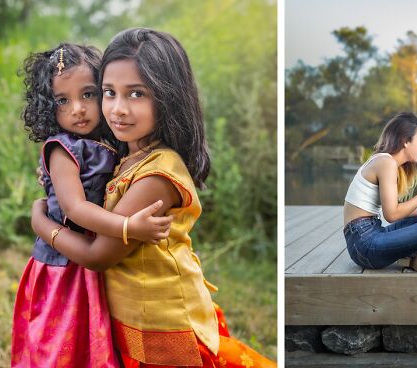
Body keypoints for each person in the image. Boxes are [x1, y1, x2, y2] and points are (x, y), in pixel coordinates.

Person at [30, 29, 275, 367]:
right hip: (135, 321)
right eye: (108, 93)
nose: (118, 109)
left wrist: (42, 223)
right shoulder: (124, 154)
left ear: (168, 98)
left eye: (136, 94)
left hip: (165, 328)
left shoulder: (156, 177)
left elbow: (97, 256)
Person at [12, 43, 171, 367]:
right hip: (64, 263)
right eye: (63, 101)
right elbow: (74, 208)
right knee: (60, 341)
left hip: (91, 255)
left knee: (89, 340)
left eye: (88, 95)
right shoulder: (62, 148)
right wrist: (128, 226)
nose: (78, 109)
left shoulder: (108, 141)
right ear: (48, 107)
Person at [343, 112, 417, 272]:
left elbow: (395, 209)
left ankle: (413, 258)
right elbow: (391, 215)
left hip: (372, 233)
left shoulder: (386, 161)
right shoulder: (386, 163)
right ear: (406, 141)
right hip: (364, 245)